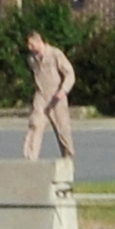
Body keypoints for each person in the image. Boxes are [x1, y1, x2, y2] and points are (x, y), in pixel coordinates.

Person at [21, 31, 76, 161]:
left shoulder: (55, 54)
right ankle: (30, 157)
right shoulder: (31, 59)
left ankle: (68, 156)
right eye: (28, 45)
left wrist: (63, 91)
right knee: (35, 123)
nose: (30, 47)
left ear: (39, 40)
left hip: (57, 96)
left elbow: (70, 74)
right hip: (41, 95)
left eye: (31, 44)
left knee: (62, 129)